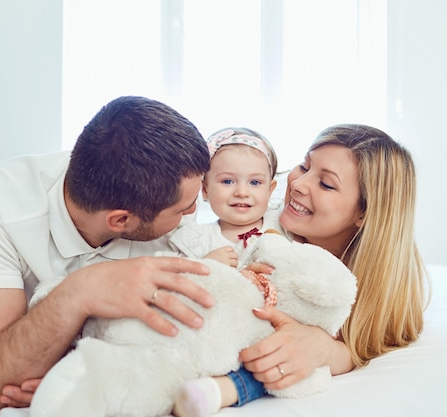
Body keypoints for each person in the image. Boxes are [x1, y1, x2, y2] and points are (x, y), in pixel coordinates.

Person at [0, 96, 216, 414]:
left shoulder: (170, 197)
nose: (194, 211)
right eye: (185, 208)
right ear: (120, 220)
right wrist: (78, 291)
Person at [172, 123, 428, 417]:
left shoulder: (369, 278)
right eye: (304, 165)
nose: (298, 184)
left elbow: (366, 341)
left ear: (363, 213)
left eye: (326, 184)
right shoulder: (260, 219)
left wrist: (326, 350)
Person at [167, 127, 280, 270]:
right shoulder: (198, 240)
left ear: (270, 190)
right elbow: (178, 283)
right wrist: (207, 265)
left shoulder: (281, 224)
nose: (242, 192)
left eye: (255, 182)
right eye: (227, 181)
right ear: (205, 190)